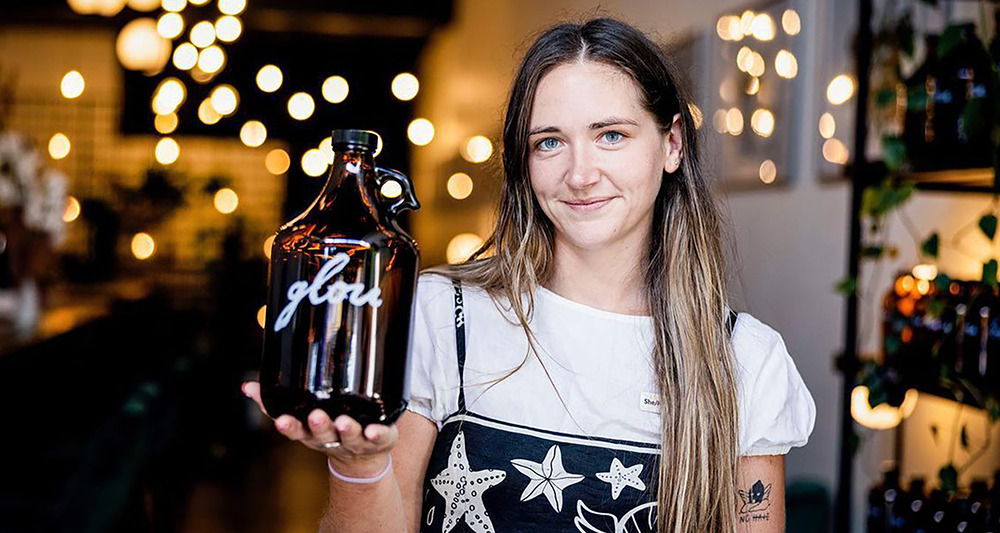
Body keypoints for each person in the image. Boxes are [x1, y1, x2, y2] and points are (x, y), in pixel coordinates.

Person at [244, 16, 816, 533]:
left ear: (670, 144)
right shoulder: (444, 315)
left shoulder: (745, 359)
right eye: (549, 143)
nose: (580, 173)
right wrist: (358, 465)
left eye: (610, 135)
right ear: (524, 161)